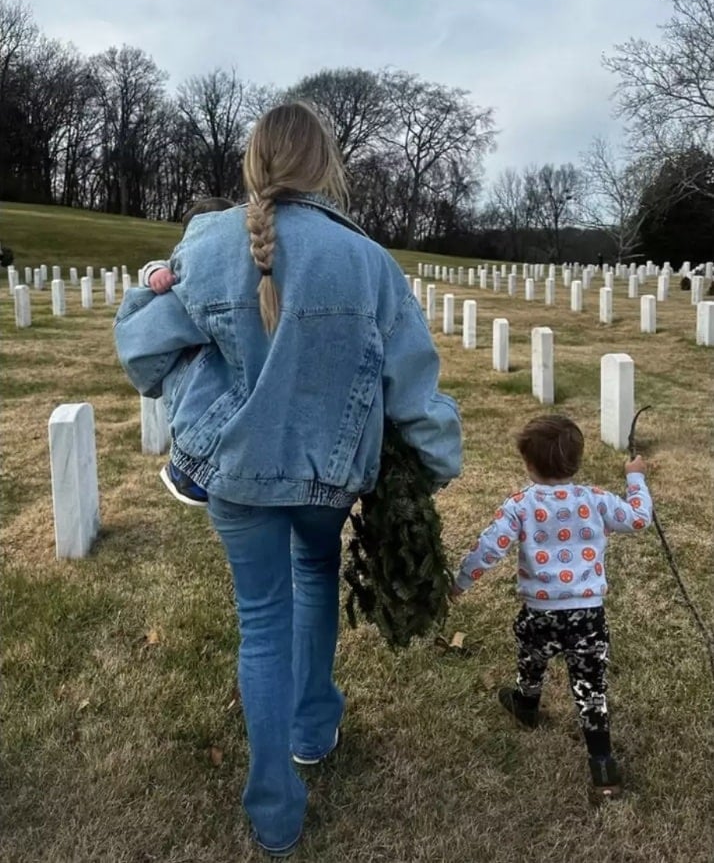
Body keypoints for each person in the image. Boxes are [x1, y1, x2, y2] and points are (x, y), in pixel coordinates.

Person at [114, 101, 462, 857]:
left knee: (261, 621)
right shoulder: (367, 260)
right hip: (327, 478)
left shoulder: (207, 245)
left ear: (255, 161)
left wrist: (150, 290)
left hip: (237, 476)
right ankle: (313, 726)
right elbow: (412, 383)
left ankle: (275, 809)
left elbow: (143, 352)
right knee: (314, 576)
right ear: (323, 164)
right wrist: (433, 465)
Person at [450, 414, 652, 802]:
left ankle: (526, 703)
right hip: (588, 616)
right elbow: (640, 518)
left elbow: (489, 548)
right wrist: (635, 477)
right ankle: (603, 766)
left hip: (540, 611)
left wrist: (460, 582)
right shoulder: (596, 500)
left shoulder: (520, 505)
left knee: (531, 654)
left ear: (527, 463)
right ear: (577, 461)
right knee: (591, 687)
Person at [138, 196, 235, 507]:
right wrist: (155, 275)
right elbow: (153, 269)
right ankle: (185, 469)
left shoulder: (240, 261)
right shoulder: (182, 262)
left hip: (226, 348)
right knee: (191, 402)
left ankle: (207, 468)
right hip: (193, 352)